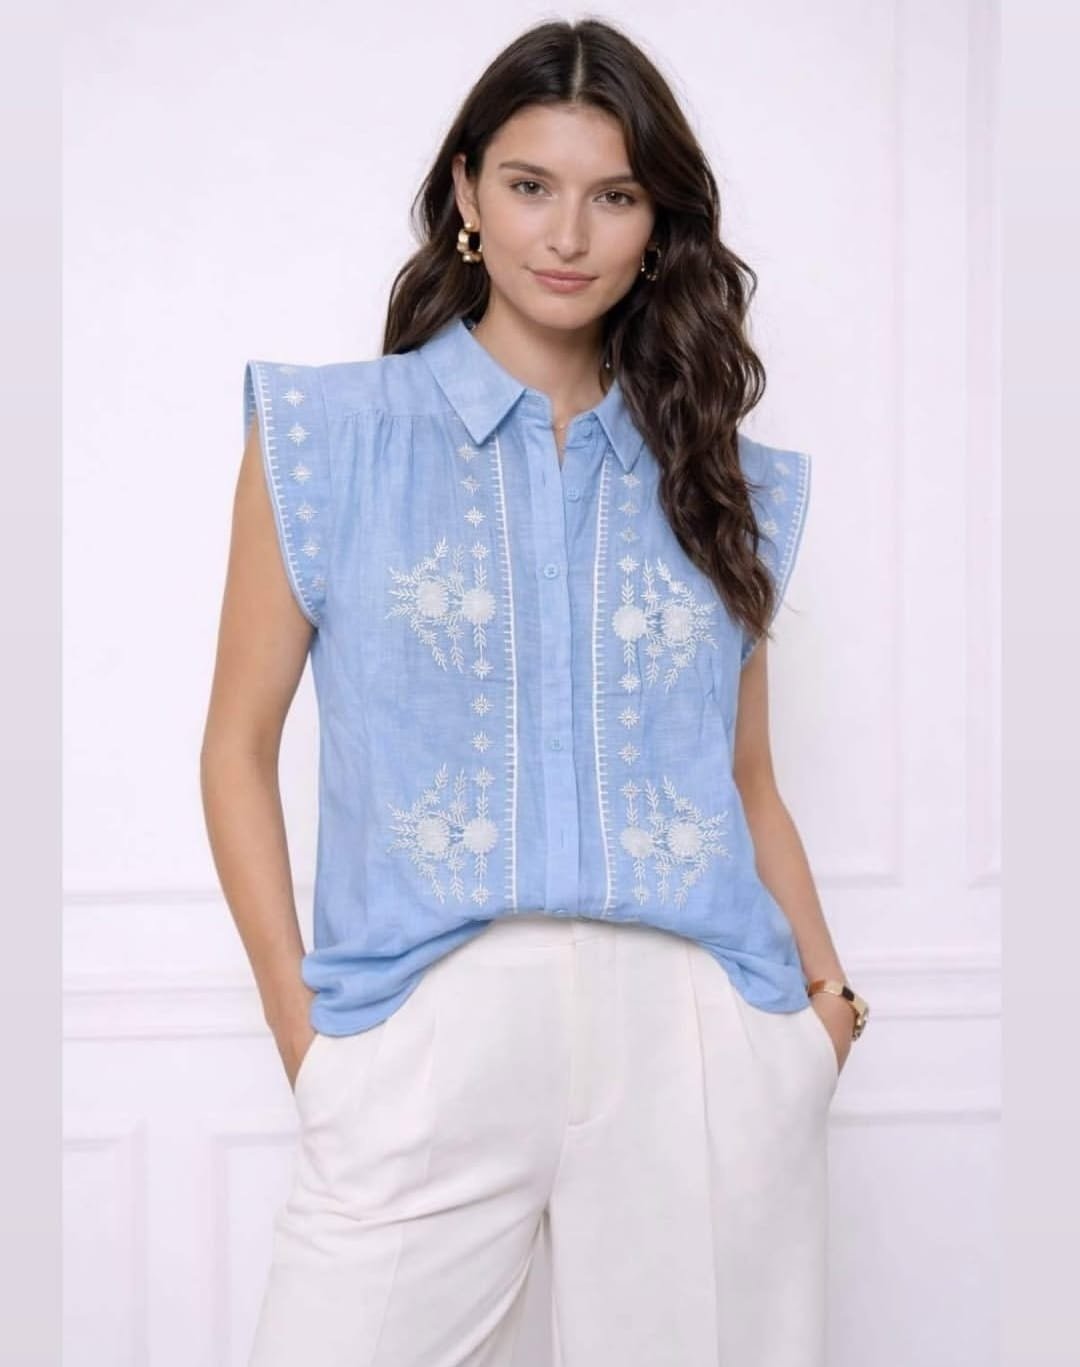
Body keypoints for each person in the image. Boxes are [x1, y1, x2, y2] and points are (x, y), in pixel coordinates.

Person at [200, 17, 870, 1366]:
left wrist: (824, 1011)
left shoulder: (718, 480)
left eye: (613, 196)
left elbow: (747, 781)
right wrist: (304, 1036)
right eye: (529, 185)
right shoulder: (328, 441)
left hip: (696, 1033)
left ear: (657, 223)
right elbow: (236, 747)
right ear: (466, 192)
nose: (568, 235)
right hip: (422, 1029)